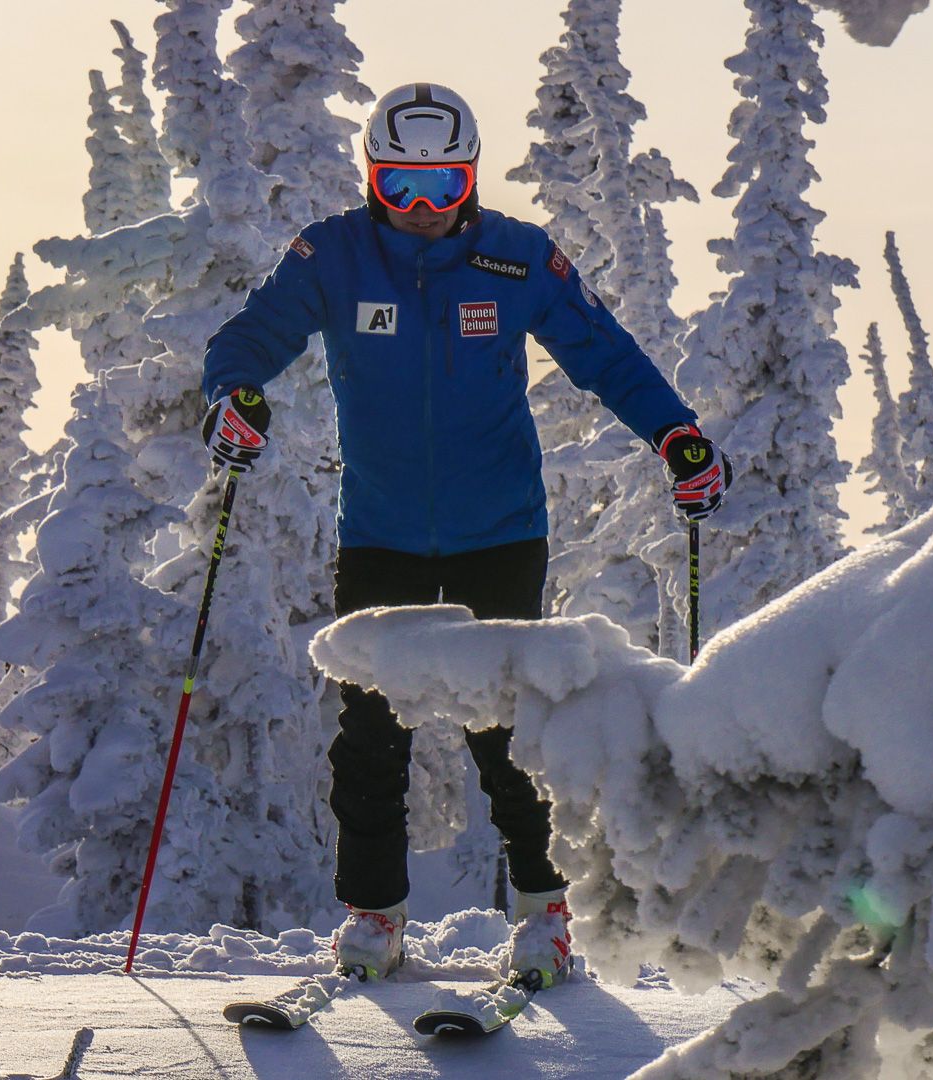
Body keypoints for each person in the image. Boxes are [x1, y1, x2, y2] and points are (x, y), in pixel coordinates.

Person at [200, 83, 731, 987]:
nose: (420, 209)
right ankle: (375, 914)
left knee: (511, 731)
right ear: (373, 178)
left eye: (442, 185)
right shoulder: (332, 255)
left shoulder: (516, 259)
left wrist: (675, 434)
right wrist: (234, 397)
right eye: (400, 186)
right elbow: (251, 336)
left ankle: (544, 912)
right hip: (382, 531)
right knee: (370, 730)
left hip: (499, 532)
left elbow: (605, 353)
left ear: (470, 178)